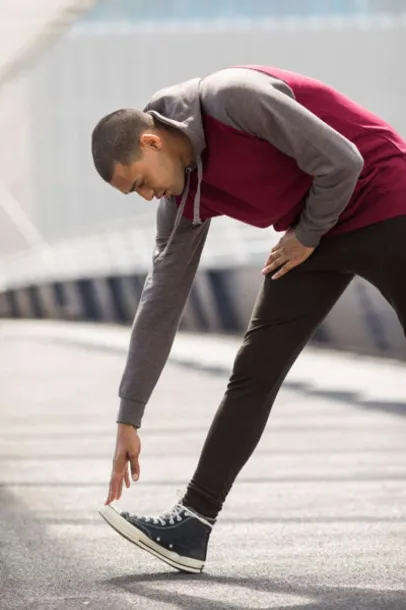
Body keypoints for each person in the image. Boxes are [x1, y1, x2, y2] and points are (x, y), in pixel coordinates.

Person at [92, 65, 406, 574]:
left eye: (141, 184)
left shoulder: (233, 98)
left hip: (383, 197)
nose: (149, 197)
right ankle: (192, 524)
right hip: (313, 233)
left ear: (151, 141)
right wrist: (129, 415)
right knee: (253, 373)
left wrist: (306, 235)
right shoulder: (182, 194)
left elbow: (343, 161)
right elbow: (161, 297)